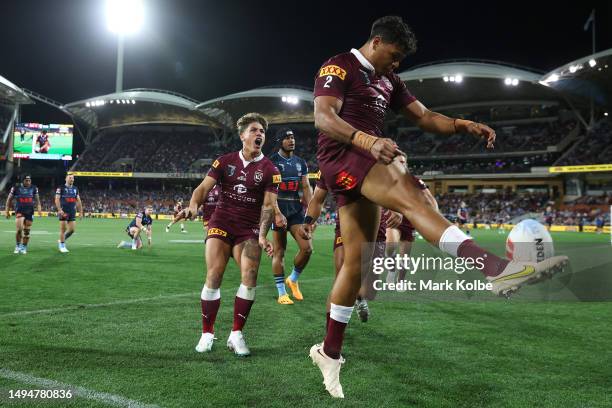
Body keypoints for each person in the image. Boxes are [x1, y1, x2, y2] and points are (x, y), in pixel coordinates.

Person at [309, 15, 569, 398]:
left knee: (355, 263)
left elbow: (426, 117)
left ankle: (328, 352)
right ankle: (495, 270)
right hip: (343, 156)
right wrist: (367, 142)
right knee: (413, 194)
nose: (396, 64)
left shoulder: (389, 81)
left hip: (362, 162)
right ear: (377, 42)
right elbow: (323, 117)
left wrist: (463, 125)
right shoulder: (340, 65)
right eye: (394, 55)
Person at [183, 113, 284, 356]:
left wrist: (261, 236)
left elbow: (268, 206)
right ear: (242, 136)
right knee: (214, 274)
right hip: (221, 223)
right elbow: (202, 189)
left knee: (250, 275)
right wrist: (193, 206)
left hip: (248, 229)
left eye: (262, 131)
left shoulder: (271, 169)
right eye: (254, 130)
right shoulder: (224, 161)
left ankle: (236, 334)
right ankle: (207, 333)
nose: (259, 134)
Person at [269, 128, 313, 304]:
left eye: (293, 137)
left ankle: (293, 279)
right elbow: (268, 191)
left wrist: (311, 214)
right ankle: (281, 293)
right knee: (279, 251)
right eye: (287, 138)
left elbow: (306, 188)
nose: (291, 140)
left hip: (295, 211)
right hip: (278, 210)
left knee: (307, 248)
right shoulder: (271, 162)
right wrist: (275, 212)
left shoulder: (300, 163)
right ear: (280, 141)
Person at [4, 175, 42, 254]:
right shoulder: (15, 188)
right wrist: (7, 211)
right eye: (26, 180)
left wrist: (39, 208)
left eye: (29, 180)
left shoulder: (34, 188)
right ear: (23, 181)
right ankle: (18, 245)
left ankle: (24, 247)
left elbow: (37, 200)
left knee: (27, 231)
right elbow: (9, 200)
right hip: (19, 211)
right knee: (19, 230)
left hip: (30, 212)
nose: (28, 182)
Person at [55, 174, 83, 253]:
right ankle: (62, 245)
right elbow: (57, 199)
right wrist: (59, 209)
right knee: (63, 229)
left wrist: (80, 212)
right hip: (63, 211)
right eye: (70, 178)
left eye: (73, 178)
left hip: (72, 211)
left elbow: (78, 201)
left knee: (72, 230)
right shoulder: (61, 188)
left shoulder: (75, 189)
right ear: (66, 178)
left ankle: (61, 240)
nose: (72, 179)